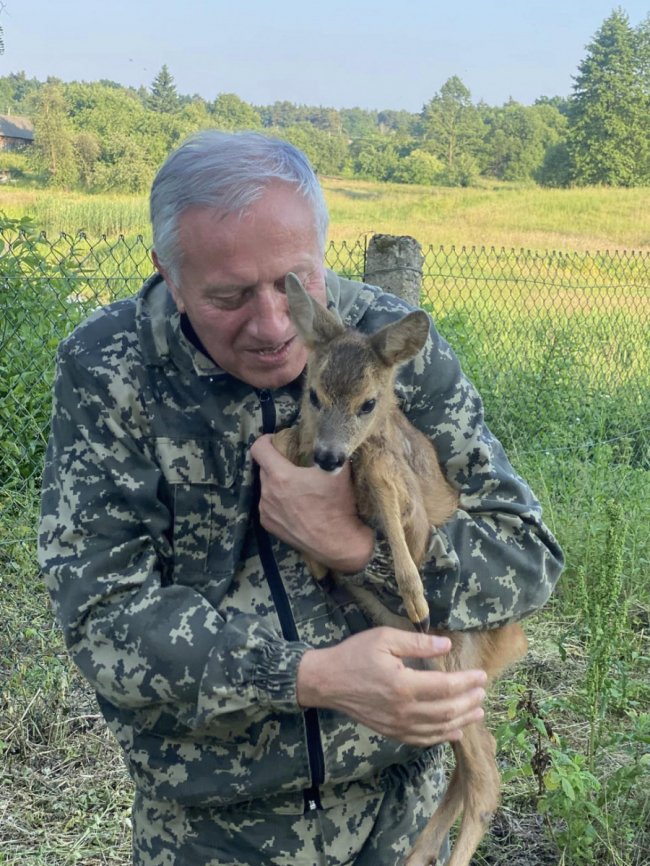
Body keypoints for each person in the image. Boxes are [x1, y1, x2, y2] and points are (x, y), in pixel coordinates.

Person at [38, 130, 563, 866]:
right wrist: (308, 678)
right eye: (228, 296)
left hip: (398, 817)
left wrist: (354, 545)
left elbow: (528, 559)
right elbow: (101, 614)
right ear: (168, 273)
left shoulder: (392, 348)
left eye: (296, 282)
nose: (274, 326)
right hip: (214, 827)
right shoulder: (113, 368)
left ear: (322, 248)